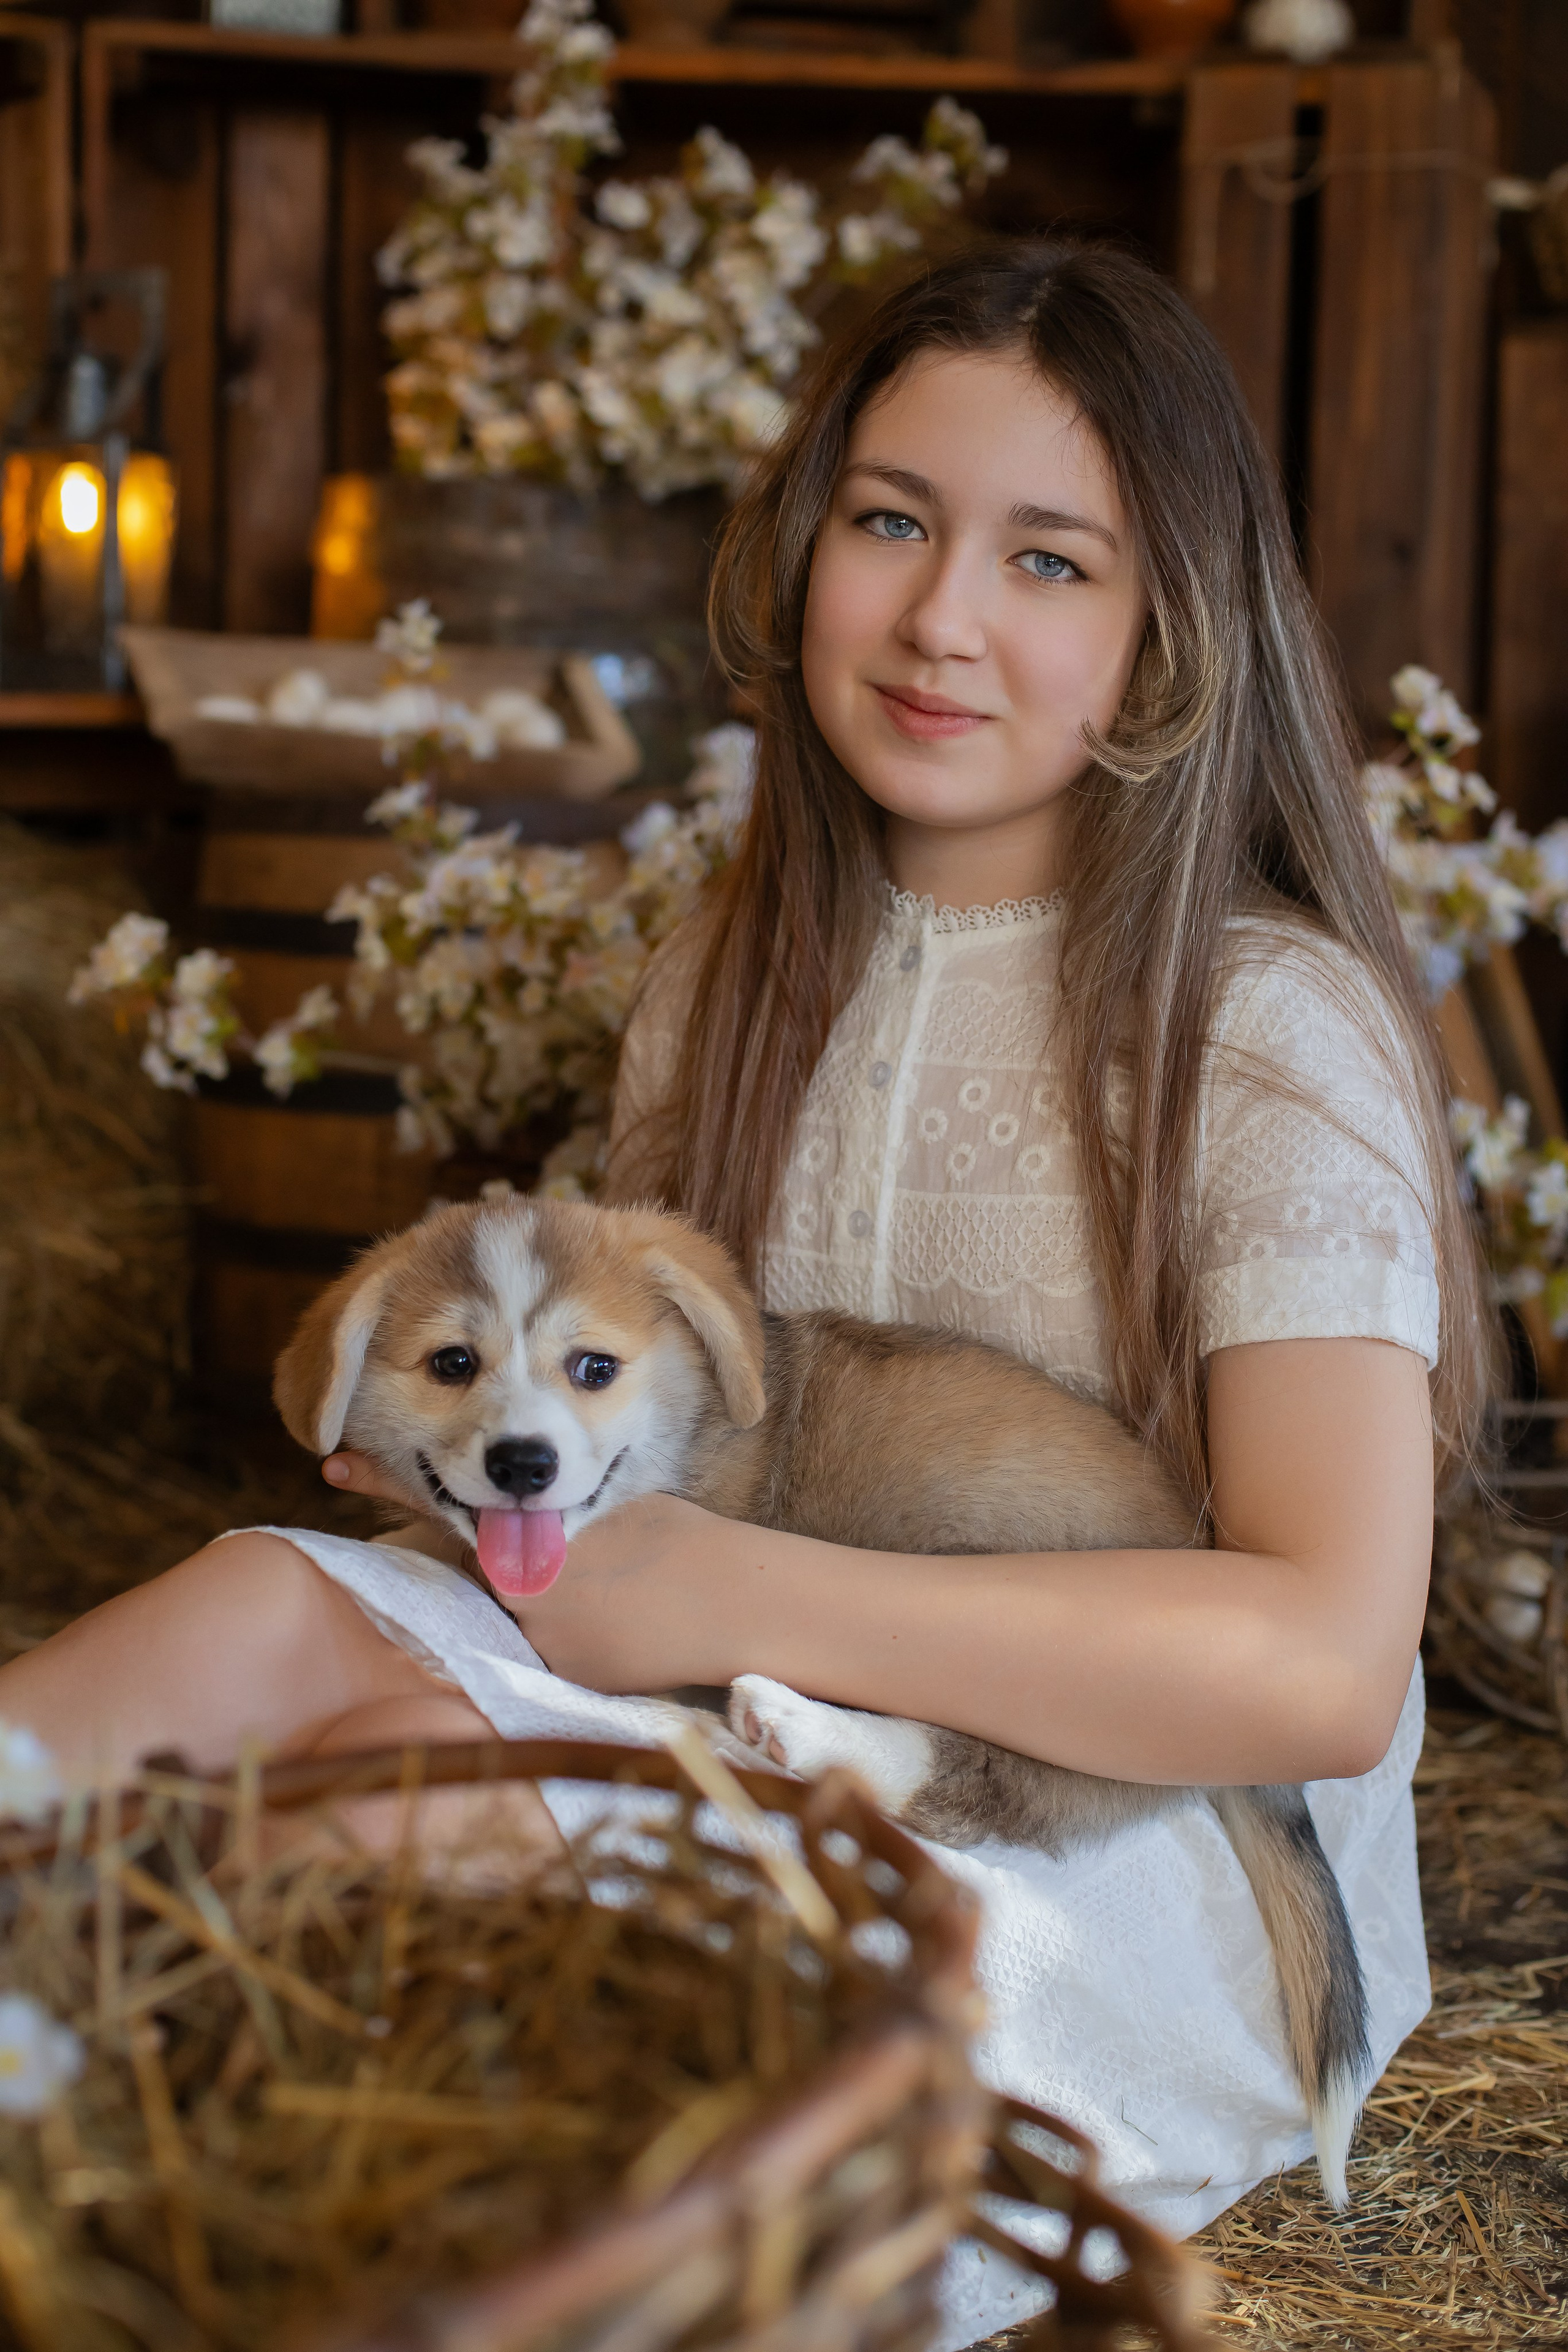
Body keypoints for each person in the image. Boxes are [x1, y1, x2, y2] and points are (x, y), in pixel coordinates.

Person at [0, 240, 1490, 2340]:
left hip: (1140, 1836)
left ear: (1171, 638)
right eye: (891, 520)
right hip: (733, 1662)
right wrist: (483, 1485)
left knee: (401, 1828)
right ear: (804, 549)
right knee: (250, 1621)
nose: (941, 615)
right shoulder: (730, 980)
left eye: (1051, 561)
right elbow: (626, 1446)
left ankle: (177, 2200)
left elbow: (1322, 1674)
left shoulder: (1265, 1030)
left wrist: (733, 1602)